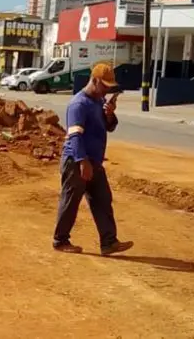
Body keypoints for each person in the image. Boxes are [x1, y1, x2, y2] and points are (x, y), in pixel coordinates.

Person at [52, 62, 134, 256]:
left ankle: (109, 242)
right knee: (71, 201)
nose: (106, 89)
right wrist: (83, 162)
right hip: (77, 160)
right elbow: (75, 136)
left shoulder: (98, 101)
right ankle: (60, 240)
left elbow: (108, 127)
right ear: (94, 80)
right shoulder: (78, 104)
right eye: (104, 85)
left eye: (109, 86)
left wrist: (110, 115)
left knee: (103, 200)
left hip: (94, 161)